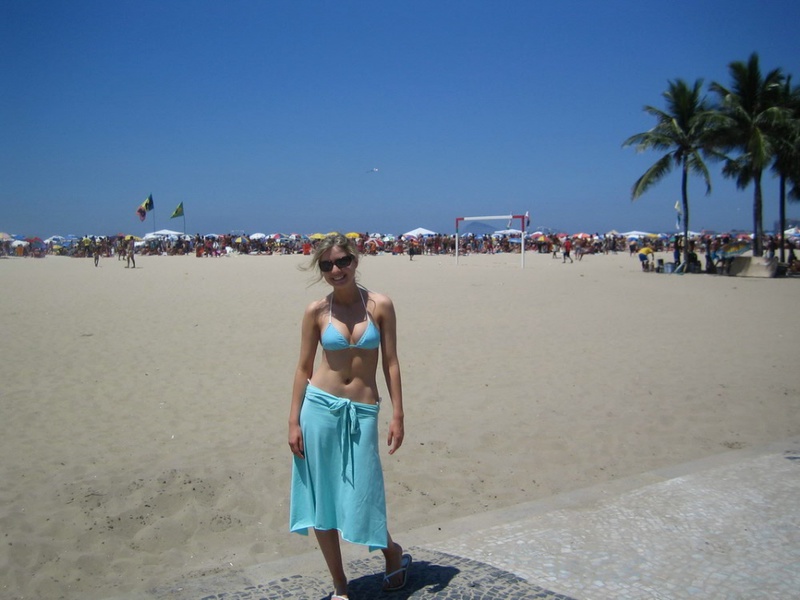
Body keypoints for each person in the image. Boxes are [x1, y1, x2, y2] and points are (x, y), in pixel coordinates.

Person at [288, 233, 410, 599]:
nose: (336, 270)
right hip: (319, 409)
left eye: (343, 261)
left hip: (363, 411)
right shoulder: (316, 311)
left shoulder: (380, 305)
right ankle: (340, 584)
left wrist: (398, 413)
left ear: (356, 260)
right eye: (327, 265)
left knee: (363, 493)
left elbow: (391, 362)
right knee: (321, 497)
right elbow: (303, 367)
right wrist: (293, 421)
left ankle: (392, 552)